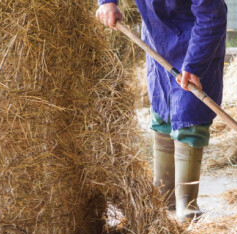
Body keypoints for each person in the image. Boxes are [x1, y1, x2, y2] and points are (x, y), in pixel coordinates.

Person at [96, 0, 227, 222]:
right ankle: (163, 197)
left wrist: (194, 65)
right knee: (162, 109)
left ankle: (187, 203)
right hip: (157, 36)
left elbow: (211, 17)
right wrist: (107, 2)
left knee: (190, 114)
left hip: (194, 41)